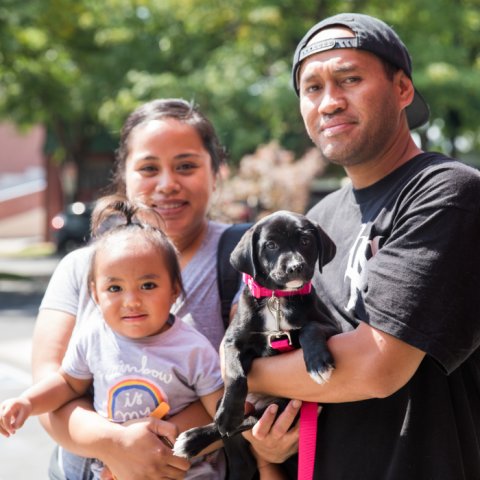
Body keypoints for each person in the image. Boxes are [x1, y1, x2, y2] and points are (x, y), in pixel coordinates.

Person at [241, 13, 480, 480]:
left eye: (349, 79)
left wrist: (238, 371)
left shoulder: (448, 193)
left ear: (402, 90)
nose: (329, 102)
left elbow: (375, 366)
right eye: (312, 89)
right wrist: (269, 445)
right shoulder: (315, 222)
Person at [34, 99, 296, 480]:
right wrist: (115, 444)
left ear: (215, 173)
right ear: (124, 175)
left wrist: (154, 449)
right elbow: (49, 393)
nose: (168, 183)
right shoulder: (79, 268)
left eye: (186, 166)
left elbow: (255, 389)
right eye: (148, 168)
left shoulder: (247, 265)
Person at [1, 197, 226, 480]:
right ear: (96, 295)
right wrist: (28, 402)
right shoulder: (93, 339)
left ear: (174, 290)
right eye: (115, 287)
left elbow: (221, 409)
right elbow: (67, 383)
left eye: (147, 285)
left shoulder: (193, 349)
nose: (131, 301)